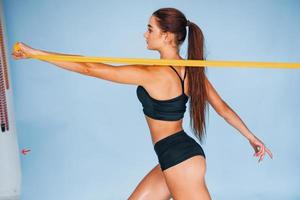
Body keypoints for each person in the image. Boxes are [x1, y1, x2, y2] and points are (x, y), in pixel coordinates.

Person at [12, 7, 272, 200]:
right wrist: (251, 137)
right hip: (175, 156)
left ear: (167, 35)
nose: (145, 34)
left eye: (150, 29)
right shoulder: (190, 72)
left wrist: (36, 53)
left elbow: (90, 68)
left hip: (181, 160)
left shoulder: (153, 74)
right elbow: (222, 107)